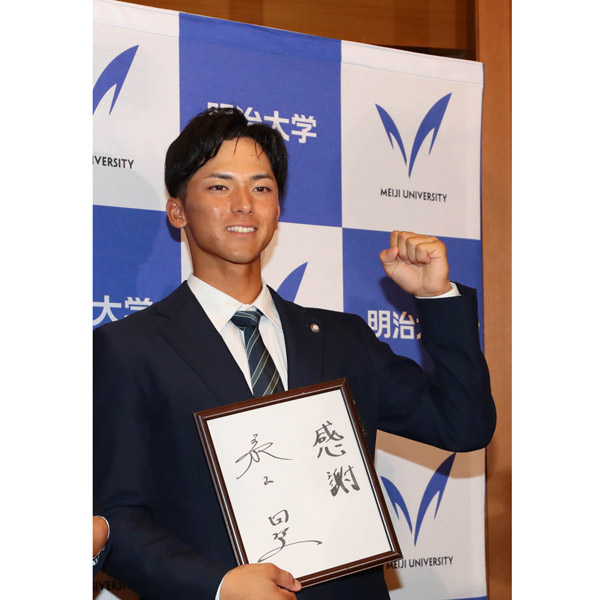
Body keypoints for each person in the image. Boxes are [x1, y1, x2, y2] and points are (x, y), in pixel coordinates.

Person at [93, 107, 495, 600]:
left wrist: (437, 299)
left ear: (277, 209)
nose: (244, 204)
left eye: (261, 188)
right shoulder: (129, 349)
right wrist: (217, 585)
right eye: (219, 186)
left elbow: (464, 426)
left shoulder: (344, 338)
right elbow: (115, 520)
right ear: (178, 211)